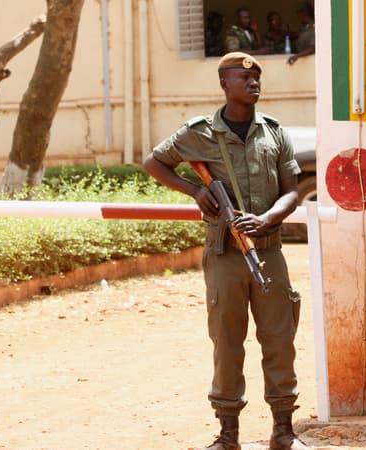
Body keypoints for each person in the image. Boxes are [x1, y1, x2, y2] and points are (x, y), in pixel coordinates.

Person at [143, 52, 308, 450]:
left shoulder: (274, 132)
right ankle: (228, 435)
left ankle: (283, 432)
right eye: (243, 77)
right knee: (227, 342)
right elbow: (154, 162)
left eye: (257, 78)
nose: (253, 83)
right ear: (224, 84)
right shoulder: (199, 133)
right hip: (224, 256)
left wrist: (266, 219)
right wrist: (196, 191)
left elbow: (292, 193)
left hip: (267, 252)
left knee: (279, 339)